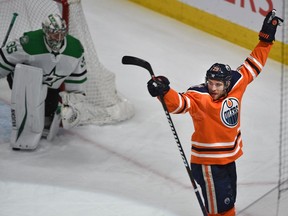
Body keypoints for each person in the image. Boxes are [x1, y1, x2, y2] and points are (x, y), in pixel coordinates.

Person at [147, 10, 283, 216]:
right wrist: (164, 92)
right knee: (219, 212)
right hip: (208, 164)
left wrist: (266, 39)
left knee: (228, 208)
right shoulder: (199, 95)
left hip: (228, 160)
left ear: (227, 84)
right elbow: (179, 104)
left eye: (218, 84)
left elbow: (254, 63)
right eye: (210, 83)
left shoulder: (236, 83)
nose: (213, 88)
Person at [0, 14, 87, 150]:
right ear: (45, 31)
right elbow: (4, 58)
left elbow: (77, 83)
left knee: (47, 114)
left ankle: (45, 114)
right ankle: (24, 131)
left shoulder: (75, 49)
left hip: (50, 86)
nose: (58, 38)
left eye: (61, 34)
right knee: (29, 102)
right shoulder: (29, 42)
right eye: (53, 34)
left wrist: (72, 105)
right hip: (23, 80)